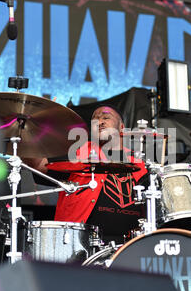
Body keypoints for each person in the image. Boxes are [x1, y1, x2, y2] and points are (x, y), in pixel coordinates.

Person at [27, 105, 148, 245]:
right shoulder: (78, 154)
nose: (100, 121)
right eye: (95, 119)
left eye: (106, 117)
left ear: (121, 127)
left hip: (130, 246)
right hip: (79, 245)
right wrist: (27, 131)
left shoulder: (140, 163)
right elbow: (38, 164)